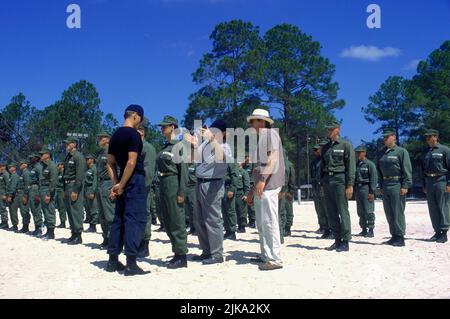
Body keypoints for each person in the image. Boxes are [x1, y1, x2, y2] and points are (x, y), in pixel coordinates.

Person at [106, 104, 149, 276]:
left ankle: (112, 261)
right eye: (140, 120)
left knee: (118, 219)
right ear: (135, 116)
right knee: (135, 219)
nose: (140, 123)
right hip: (134, 180)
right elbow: (131, 162)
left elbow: (109, 162)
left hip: (122, 181)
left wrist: (116, 184)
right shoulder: (133, 135)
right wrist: (122, 185)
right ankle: (131, 263)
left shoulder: (115, 135)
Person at [185, 119, 232, 265]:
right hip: (199, 183)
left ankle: (217, 254)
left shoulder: (225, 146)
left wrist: (211, 139)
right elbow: (190, 159)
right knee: (199, 220)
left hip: (213, 184)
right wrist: (192, 145)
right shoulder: (204, 144)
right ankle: (206, 251)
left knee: (213, 219)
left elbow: (222, 158)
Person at [246, 109, 285, 271]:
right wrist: (252, 190)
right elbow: (257, 167)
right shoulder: (260, 139)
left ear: (264, 122)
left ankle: (274, 259)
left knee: (269, 222)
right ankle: (265, 254)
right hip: (262, 186)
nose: (254, 124)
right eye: (253, 121)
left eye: (257, 121)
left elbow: (273, 159)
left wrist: (262, 180)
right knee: (262, 223)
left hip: (269, 184)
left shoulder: (270, 134)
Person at [156, 115, 188, 269]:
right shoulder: (164, 147)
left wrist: (182, 192)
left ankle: (182, 256)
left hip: (174, 183)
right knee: (167, 220)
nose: (162, 128)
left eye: (165, 126)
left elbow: (184, 171)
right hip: (163, 183)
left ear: (173, 127)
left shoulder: (179, 146)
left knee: (176, 220)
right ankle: (176, 253)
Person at [320, 120, 355, 252]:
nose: (328, 131)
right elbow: (322, 166)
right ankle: (337, 239)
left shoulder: (346, 145)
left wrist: (350, 185)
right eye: (327, 129)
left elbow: (350, 166)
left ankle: (345, 241)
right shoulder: (325, 147)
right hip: (328, 180)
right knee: (331, 212)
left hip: (340, 179)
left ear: (338, 130)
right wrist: (322, 183)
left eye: (331, 129)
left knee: (342, 210)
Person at [377, 128, 412, 247]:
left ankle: (400, 236)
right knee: (389, 212)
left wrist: (405, 185)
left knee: (398, 211)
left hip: (397, 184)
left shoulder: (401, 152)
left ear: (394, 138)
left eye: (387, 137)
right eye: (384, 137)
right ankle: (394, 236)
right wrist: (380, 185)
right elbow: (378, 171)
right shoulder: (381, 153)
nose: (385, 139)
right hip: (386, 184)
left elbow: (407, 170)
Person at [420, 129, 450, 244]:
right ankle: (437, 231)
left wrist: (449, 183)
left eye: (429, 137)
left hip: (441, 180)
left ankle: (444, 232)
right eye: (426, 137)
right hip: (429, 181)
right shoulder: (425, 151)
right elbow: (422, 169)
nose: (427, 139)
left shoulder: (445, 150)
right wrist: (423, 184)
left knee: (443, 206)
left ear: (436, 137)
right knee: (432, 208)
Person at [137, 118, 157, 258]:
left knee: (144, 215)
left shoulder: (147, 147)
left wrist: (142, 189)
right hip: (132, 188)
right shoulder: (132, 147)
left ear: (143, 132)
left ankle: (144, 245)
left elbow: (149, 172)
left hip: (142, 189)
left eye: (139, 130)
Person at [62, 137, 86, 245]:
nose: (66, 145)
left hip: (73, 185)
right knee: (69, 210)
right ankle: (73, 233)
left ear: (74, 144)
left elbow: (80, 175)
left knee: (76, 210)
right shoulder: (68, 157)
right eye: (66, 143)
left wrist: (75, 190)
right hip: (67, 185)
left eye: (68, 143)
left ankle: (78, 235)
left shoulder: (78, 156)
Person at [96, 132, 115, 249]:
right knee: (102, 215)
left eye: (101, 138)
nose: (99, 140)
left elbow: (116, 168)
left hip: (108, 183)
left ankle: (113, 239)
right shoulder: (101, 153)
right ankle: (106, 238)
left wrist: (114, 186)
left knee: (109, 214)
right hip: (100, 184)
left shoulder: (112, 151)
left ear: (107, 139)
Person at [354, 145, 378, 238]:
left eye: (360, 152)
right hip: (358, 188)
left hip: (367, 188)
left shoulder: (370, 164)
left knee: (369, 210)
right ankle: (363, 229)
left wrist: (372, 192)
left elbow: (374, 178)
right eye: (357, 152)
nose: (358, 154)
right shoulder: (356, 165)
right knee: (360, 211)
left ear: (364, 153)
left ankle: (371, 229)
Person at [38, 149, 58, 240]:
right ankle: (48, 231)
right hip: (42, 189)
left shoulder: (52, 165)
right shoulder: (43, 166)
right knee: (45, 210)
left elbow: (53, 181)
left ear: (47, 155)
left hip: (48, 190)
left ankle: (51, 233)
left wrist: (49, 194)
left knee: (50, 210)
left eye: (42, 154)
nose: (40, 156)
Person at [222, 163, 239, 240]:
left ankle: (232, 232)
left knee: (230, 210)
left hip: (228, 188)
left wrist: (231, 189)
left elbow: (235, 176)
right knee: (224, 211)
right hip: (221, 187)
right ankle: (227, 230)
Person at [28, 154, 44, 236]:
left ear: (36, 158)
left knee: (37, 208)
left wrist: (38, 194)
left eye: (32, 158)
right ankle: (36, 227)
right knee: (33, 209)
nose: (30, 159)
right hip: (31, 189)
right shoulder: (33, 167)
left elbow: (41, 180)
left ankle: (39, 228)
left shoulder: (38, 167)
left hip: (36, 189)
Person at [84, 154, 99, 233]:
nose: (86, 160)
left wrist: (93, 191)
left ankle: (93, 226)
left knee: (94, 208)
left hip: (91, 188)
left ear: (92, 159)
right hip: (86, 189)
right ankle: (90, 224)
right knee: (88, 208)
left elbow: (95, 181)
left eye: (88, 159)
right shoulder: (87, 169)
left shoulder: (94, 168)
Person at [185, 148, 198, 235]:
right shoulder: (185, 165)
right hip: (186, 187)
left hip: (193, 187)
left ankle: (197, 228)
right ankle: (192, 227)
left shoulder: (195, 165)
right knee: (188, 209)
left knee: (194, 208)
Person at [236, 160, 251, 233]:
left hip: (240, 193)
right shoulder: (234, 171)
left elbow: (247, 185)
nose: (237, 162)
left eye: (239, 161)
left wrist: (246, 195)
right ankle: (236, 225)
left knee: (242, 211)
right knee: (234, 211)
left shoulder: (244, 172)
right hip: (234, 192)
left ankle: (242, 226)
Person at [17, 159, 31, 233]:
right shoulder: (22, 173)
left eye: (21, 164)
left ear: (25, 165)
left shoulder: (26, 173)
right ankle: (24, 226)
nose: (20, 166)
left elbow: (27, 184)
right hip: (21, 193)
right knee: (23, 210)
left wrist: (25, 195)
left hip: (24, 193)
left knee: (25, 210)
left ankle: (26, 227)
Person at [6, 163, 19, 232]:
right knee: (11, 210)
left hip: (14, 196)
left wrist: (10, 195)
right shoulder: (11, 176)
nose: (9, 169)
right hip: (11, 195)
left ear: (14, 168)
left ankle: (15, 226)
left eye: (11, 167)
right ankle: (14, 225)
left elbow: (13, 187)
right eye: (9, 168)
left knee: (13, 210)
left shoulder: (14, 176)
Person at [243, 154, 256, 228]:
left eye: (246, 157)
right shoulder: (244, 165)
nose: (245, 159)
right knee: (246, 204)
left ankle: (253, 221)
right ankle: (249, 220)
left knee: (251, 204)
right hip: (245, 185)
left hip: (251, 185)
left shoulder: (252, 165)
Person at [284, 159, 296, 237]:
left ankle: (287, 228)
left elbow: (292, 179)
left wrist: (291, 192)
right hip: (281, 191)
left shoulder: (289, 165)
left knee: (288, 210)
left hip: (286, 191)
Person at [55, 163, 67, 228]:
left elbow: (65, 183)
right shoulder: (58, 173)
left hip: (62, 190)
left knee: (62, 207)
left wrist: (65, 191)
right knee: (59, 207)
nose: (58, 166)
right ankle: (62, 221)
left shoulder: (64, 173)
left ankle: (63, 222)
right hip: (58, 190)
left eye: (59, 165)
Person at [0, 161, 11, 230]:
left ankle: (5, 223)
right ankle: (3, 221)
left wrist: (6, 195)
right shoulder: (1, 174)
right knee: (0, 208)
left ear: (3, 167)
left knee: (3, 207)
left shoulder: (5, 174)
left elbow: (8, 185)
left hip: (3, 193)